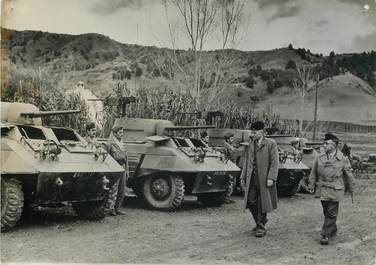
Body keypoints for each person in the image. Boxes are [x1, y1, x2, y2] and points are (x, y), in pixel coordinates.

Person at [308, 133, 355, 245]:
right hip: (323, 188)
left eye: (326, 143)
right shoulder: (319, 157)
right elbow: (313, 172)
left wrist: (352, 187)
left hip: (335, 188)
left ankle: (325, 235)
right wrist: (311, 185)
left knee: (331, 213)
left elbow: (349, 174)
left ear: (334, 145)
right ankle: (332, 229)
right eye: (324, 143)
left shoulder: (343, 158)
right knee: (326, 211)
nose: (324, 145)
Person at [240, 120, 279, 237]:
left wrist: (271, 177)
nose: (252, 134)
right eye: (252, 131)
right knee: (251, 201)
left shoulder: (271, 143)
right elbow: (247, 161)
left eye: (255, 131)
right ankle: (260, 220)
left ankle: (261, 227)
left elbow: (274, 162)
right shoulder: (251, 143)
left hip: (264, 178)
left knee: (263, 202)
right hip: (252, 177)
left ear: (262, 132)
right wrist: (243, 176)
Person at [105, 125, 127, 216]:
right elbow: (106, 157)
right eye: (120, 133)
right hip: (114, 168)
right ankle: (111, 208)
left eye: (122, 132)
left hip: (122, 167)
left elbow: (126, 158)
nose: (122, 134)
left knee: (122, 189)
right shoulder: (109, 143)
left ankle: (117, 207)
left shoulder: (122, 143)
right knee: (114, 188)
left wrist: (127, 170)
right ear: (114, 133)